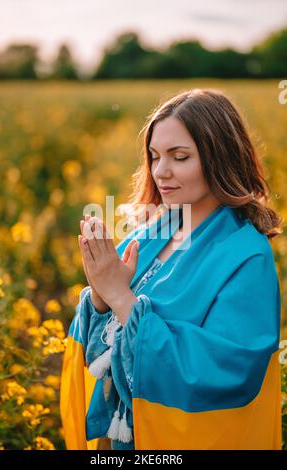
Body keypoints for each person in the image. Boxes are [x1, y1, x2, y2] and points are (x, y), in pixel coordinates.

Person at [60, 88, 283, 450]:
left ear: (220, 158)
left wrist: (120, 297)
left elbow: (226, 373)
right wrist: (101, 298)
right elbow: (101, 358)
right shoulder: (152, 232)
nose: (161, 172)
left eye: (180, 157)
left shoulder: (247, 256)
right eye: (154, 156)